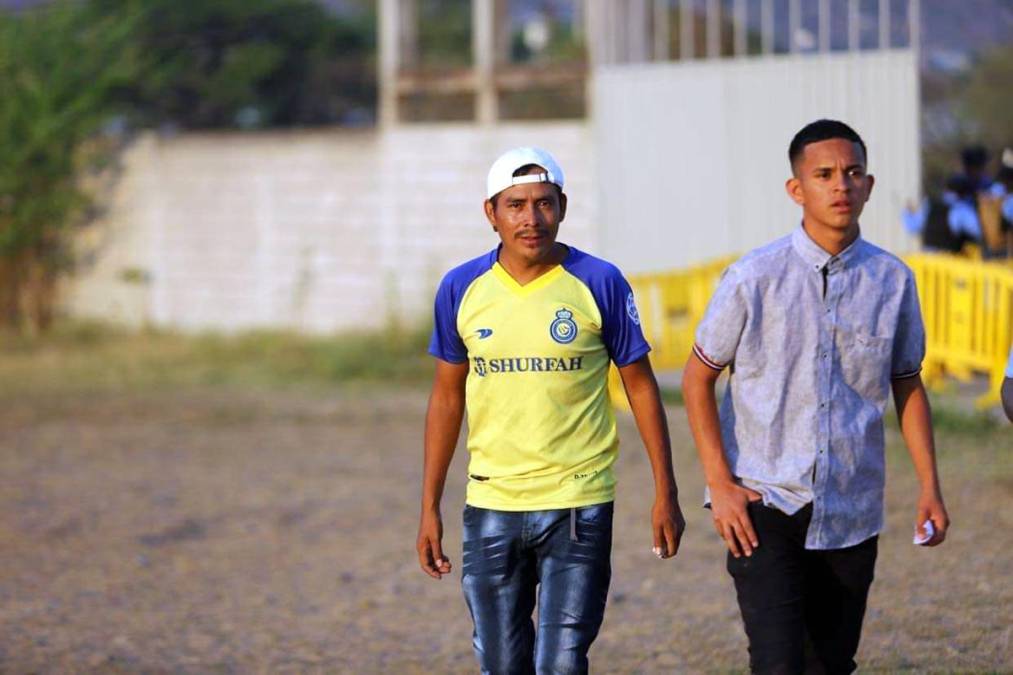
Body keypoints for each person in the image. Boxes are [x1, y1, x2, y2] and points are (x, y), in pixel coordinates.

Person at [683, 120, 950, 674]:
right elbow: (697, 377)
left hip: (851, 505)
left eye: (852, 173)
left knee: (831, 663)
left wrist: (930, 487)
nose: (840, 186)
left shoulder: (893, 281)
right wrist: (721, 485)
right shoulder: (753, 278)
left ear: (869, 185)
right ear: (796, 189)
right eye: (823, 174)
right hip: (763, 502)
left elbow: (907, 383)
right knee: (778, 663)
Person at [416, 147, 686, 674]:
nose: (530, 218)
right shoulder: (460, 288)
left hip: (578, 503)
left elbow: (642, 387)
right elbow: (447, 397)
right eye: (515, 204)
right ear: (490, 212)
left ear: (563, 206)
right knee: (501, 665)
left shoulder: (600, 281)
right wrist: (429, 506)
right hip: (491, 504)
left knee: (561, 664)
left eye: (544, 203)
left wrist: (665, 492)